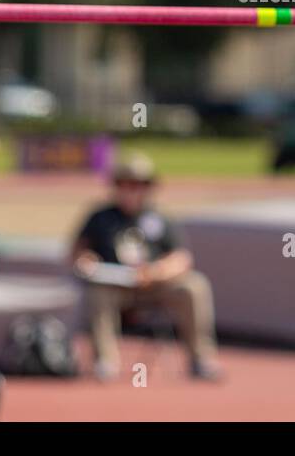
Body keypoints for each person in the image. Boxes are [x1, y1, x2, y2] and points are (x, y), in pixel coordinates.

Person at [71, 154, 221, 381]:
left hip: (155, 286)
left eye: (139, 185)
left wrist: (155, 272)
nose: (132, 190)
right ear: (117, 186)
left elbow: (180, 258)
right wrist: (86, 261)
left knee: (194, 286)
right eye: (126, 184)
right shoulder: (100, 218)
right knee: (97, 294)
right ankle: (106, 361)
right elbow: (79, 251)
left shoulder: (160, 218)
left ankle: (200, 359)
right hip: (115, 288)